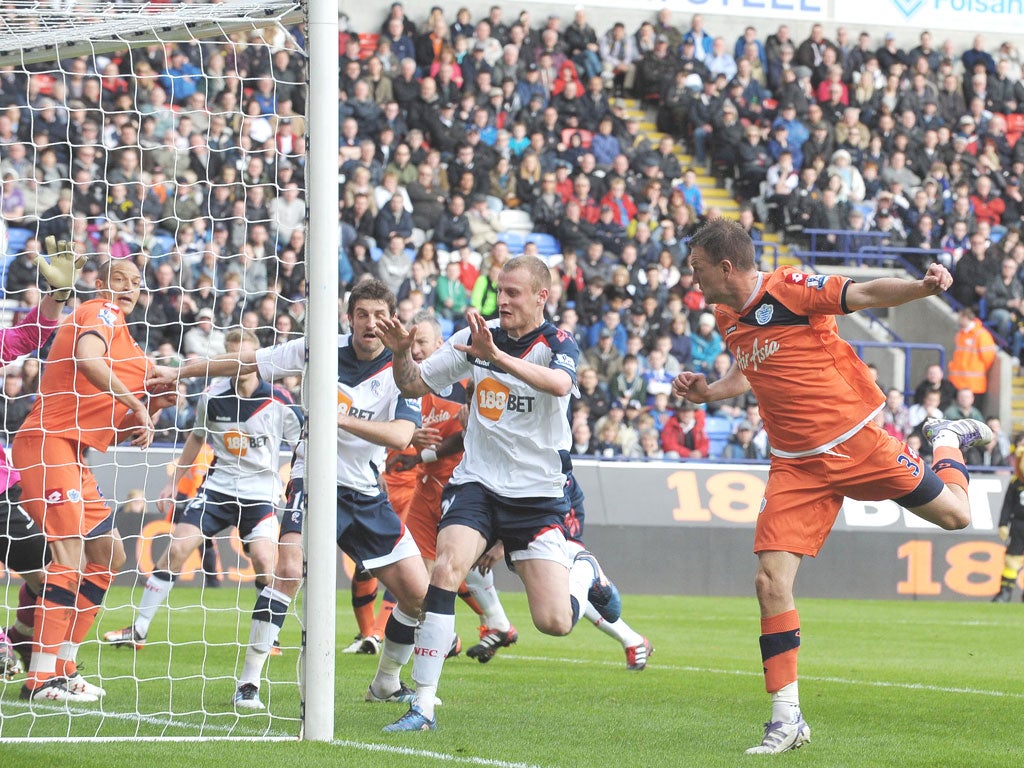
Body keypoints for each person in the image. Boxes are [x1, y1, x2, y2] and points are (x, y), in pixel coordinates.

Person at [672, 219, 993, 755]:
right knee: (769, 582)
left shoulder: (791, 289)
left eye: (697, 267)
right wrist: (709, 393)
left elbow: (864, 294)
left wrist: (922, 287)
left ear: (725, 267)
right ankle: (787, 719)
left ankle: (945, 438)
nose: (693, 277)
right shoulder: (728, 316)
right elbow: (749, 370)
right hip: (795, 467)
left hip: (857, 444)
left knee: (958, 515)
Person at [147, 278, 431, 709]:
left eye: (378, 315)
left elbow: (401, 435)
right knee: (287, 568)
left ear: (392, 320)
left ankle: (386, 682)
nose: (370, 323)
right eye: (361, 314)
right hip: (312, 479)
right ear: (349, 318)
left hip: (365, 492)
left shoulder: (403, 370)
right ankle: (248, 682)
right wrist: (177, 372)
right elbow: (245, 360)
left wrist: (337, 418)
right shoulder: (318, 349)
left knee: (418, 594)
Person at [374, 255, 622, 732]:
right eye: (499, 291)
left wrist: (495, 358)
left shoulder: (558, 342)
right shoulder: (474, 337)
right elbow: (412, 382)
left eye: (513, 293)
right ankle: (422, 706)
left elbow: (561, 385)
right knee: (445, 570)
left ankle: (584, 569)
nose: (502, 300)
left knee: (554, 622)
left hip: (537, 496)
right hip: (478, 483)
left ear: (541, 297)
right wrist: (402, 353)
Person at [102, 330, 303, 709]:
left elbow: (303, 442)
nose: (238, 363)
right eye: (232, 356)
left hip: (261, 494)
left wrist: (296, 481)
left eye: (245, 356)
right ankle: (139, 628)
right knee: (177, 548)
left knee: (266, 561)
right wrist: (173, 481)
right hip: (218, 489)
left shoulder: (279, 400)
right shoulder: (212, 396)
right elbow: (197, 437)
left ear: (256, 358)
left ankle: (270, 635)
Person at [12, 256, 171, 703]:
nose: (128, 287)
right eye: (118, 279)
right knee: (69, 556)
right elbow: (86, 360)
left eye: (135, 282)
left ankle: (63, 667)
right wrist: (137, 404)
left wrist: (150, 409)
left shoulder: (132, 351)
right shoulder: (101, 311)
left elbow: (111, 430)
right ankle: (39, 680)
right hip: (46, 443)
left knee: (109, 553)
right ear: (100, 284)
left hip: (74, 453)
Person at [0, 238, 86, 681]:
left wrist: (58, 295)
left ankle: (21, 641)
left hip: (1, 494)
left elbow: (31, 334)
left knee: (50, 574)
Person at [992, 433, 1024, 602]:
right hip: (1018, 525)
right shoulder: (1015, 483)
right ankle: (1005, 592)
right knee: (1012, 558)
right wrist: (1003, 524)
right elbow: (1007, 505)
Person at [947, 307, 997, 415]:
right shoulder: (960, 334)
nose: (957, 320)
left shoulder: (981, 335)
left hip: (974, 385)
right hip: (957, 383)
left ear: (965, 317)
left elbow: (988, 358)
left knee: (973, 416)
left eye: (959, 317)